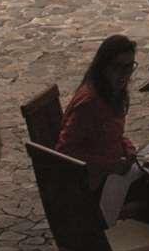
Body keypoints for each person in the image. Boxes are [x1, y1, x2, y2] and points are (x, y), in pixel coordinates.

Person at [56, 36, 141, 182]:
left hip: (114, 172)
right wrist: (109, 165)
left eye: (129, 67)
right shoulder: (89, 104)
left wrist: (128, 149)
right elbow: (65, 151)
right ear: (103, 67)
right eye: (117, 67)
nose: (124, 74)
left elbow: (112, 136)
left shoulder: (114, 92)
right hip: (93, 181)